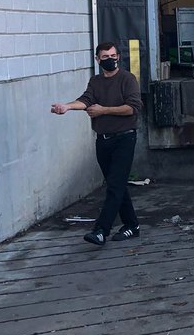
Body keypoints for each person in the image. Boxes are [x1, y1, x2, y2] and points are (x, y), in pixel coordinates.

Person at [51, 42, 143, 246]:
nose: (110, 59)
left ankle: (101, 230)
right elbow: (85, 100)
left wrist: (104, 110)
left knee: (115, 185)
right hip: (103, 140)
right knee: (116, 184)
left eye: (113, 55)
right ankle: (132, 225)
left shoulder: (127, 79)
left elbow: (133, 108)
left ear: (118, 56)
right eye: (105, 57)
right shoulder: (96, 81)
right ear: (97, 60)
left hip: (125, 138)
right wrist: (67, 107)